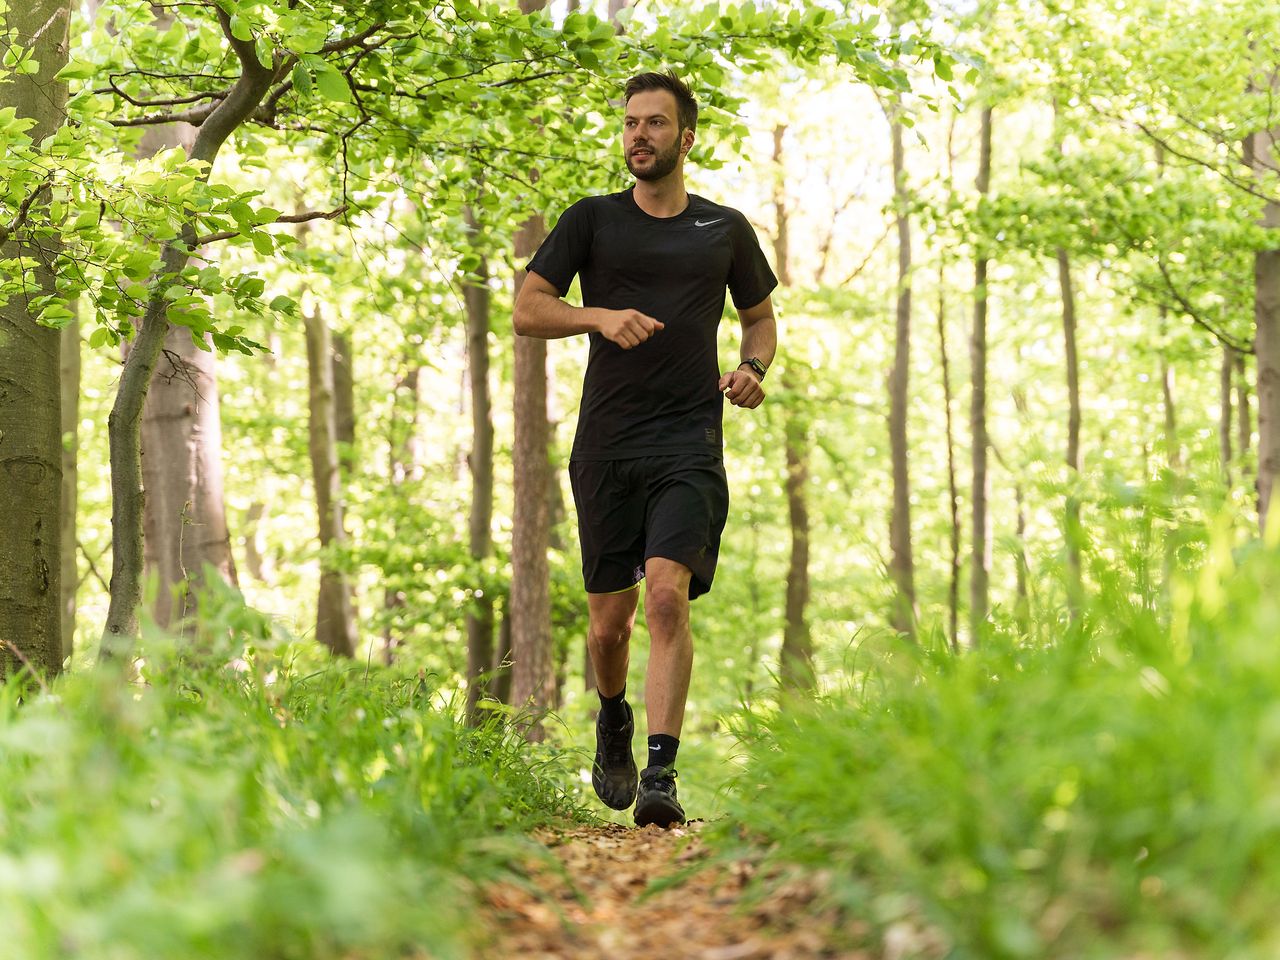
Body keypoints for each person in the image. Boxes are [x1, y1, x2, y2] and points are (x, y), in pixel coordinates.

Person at [512, 70, 778, 827]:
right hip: (606, 444)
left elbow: (761, 320)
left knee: (666, 594)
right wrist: (599, 317)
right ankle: (613, 714)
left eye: (655, 124)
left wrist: (754, 368)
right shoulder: (591, 220)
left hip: (688, 438)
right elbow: (527, 311)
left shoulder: (723, 229)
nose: (639, 135)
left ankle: (660, 773)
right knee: (609, 623)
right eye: (631, 123)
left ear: (686, 138)